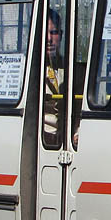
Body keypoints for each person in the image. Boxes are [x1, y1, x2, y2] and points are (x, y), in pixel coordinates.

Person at [43, 9, 66, 146]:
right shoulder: (31, 71)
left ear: (61, 35)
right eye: (45, 33)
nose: (49, 39)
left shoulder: (70, 69)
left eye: (54, 33)